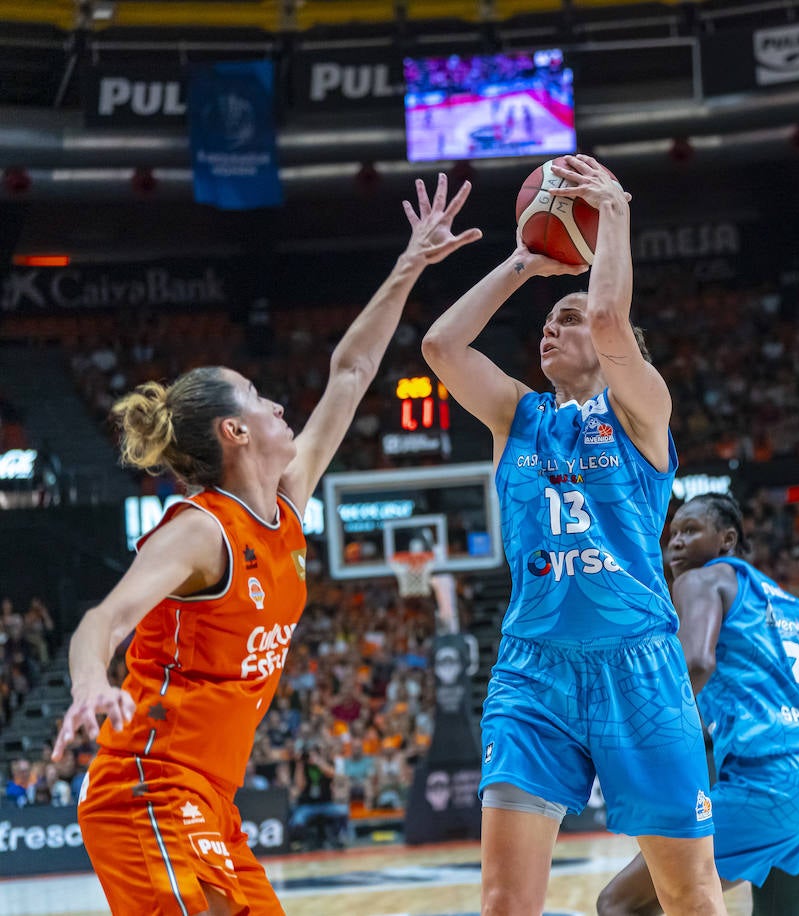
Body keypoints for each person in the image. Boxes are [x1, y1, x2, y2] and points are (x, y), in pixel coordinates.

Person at [50, 174, 481, 916]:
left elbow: (351, 371)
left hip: (212, 801)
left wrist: (411, 264)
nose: (282, 405)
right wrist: (92, 683)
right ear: (235, 431)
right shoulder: (200, 530)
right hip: (147, 789)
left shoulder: (286, 504)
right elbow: (105, 620)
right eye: (260, 396)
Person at [422, 154, 725, 916]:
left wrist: (613, 212)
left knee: (689, 894)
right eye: (549, 322)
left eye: (568, 320)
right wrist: (524, 264)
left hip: (640, 668)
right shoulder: (517, 417)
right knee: (503, 904)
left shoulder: (641, 414)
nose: (552, 329)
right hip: (534, 672)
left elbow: (607, 316)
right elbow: (441, 347)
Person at [598, 494, 799, 916]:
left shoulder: (700, 581)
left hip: (769, 781)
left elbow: (697, 661)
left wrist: (639, 737)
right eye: (673, 534)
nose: (675, 543)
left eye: (690, 530)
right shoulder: (795, 607)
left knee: (621, 904)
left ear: (726, 539)